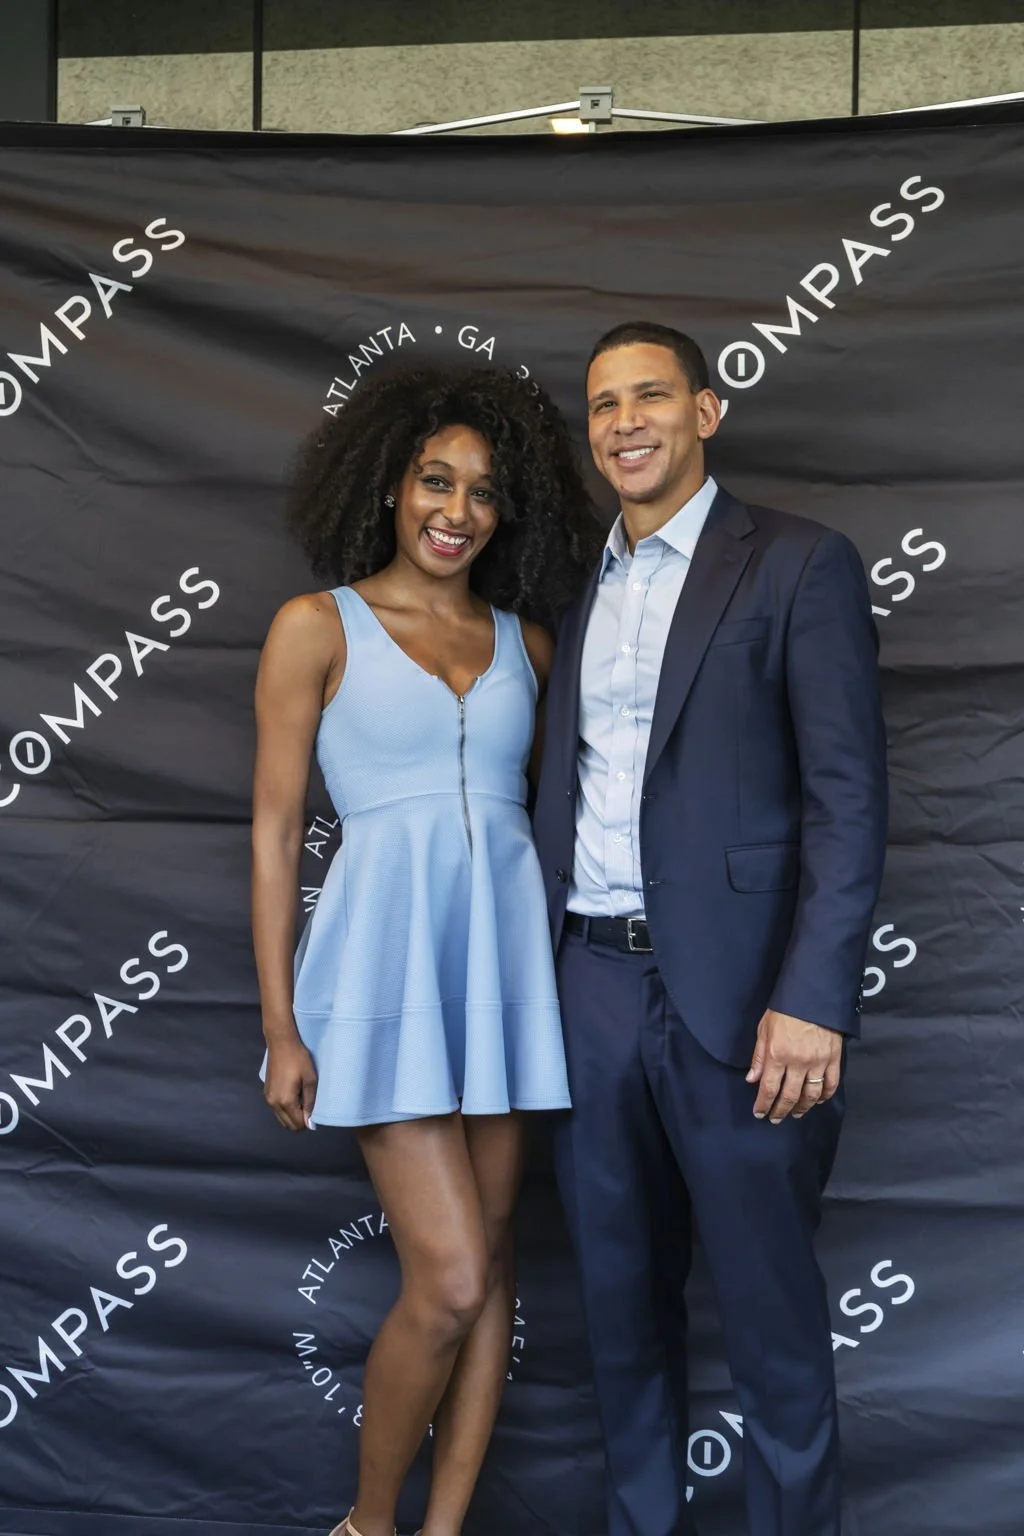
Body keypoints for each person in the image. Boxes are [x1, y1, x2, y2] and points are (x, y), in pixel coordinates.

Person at [533, 321, 888, 1536]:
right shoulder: (570, 584)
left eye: (649, 397)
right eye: (602, 406)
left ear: (705, 412)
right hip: (587, 988)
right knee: (617, 1315)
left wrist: (815, 999)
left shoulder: (796, 562)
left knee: (771, 1324)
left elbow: (847, 800)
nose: (623, 423)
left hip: (744, 1008)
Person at [251, 364, 599, 1536]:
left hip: (502, 980)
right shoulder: (316, 628)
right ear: (389, 487)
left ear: (510, 511)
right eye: (435, 481)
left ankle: (443, 1531)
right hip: (380, 977)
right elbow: (275, 831)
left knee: (489, 1270)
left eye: (484, 491)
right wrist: (280, 1026)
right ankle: (366, 1526)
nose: (457, 510)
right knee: (447, 1280)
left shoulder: (530, 647)